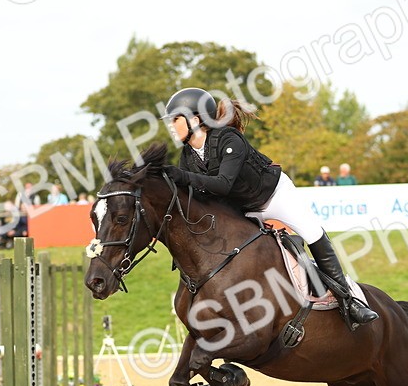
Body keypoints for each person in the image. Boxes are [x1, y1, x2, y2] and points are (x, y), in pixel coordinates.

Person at [159, 87, 378, 328]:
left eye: (175, 119)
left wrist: (182, 177)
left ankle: (348, 300)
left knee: (313, 232)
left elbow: (222, 184)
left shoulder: (229, 140)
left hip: (274, 196)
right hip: (242, 208)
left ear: (195, 119)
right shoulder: (188, 156)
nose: (170, 125)